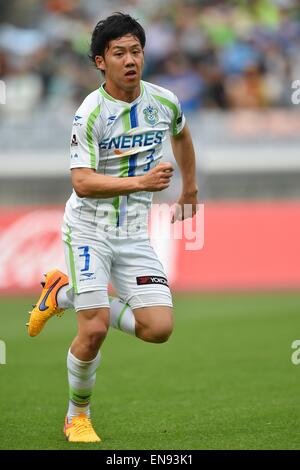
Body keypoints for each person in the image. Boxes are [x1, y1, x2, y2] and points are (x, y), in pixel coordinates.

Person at [27, 12, 198, 443]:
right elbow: (81, 183)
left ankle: (60, 293)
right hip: (88, 230)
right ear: (101, 61)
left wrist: (190, 191)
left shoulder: (164, 102)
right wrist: (141, 181)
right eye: (118, 53)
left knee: (158, 329)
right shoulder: (89, 114)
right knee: (95, 327)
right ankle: (76, 417)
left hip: (134, 233)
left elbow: (181, 133)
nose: (130, 60)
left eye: (136, 51)